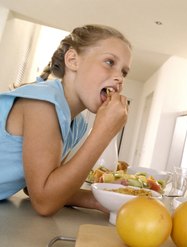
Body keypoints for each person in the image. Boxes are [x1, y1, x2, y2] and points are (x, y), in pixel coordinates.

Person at [0, 24, 132, 216]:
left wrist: (100, 200)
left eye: (124, 72)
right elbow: (44, 202)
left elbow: (39, 186)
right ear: (72, 60)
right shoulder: (43, 104)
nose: (119, 77)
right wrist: (103, 132)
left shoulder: (76, 124)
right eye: (110, 62)